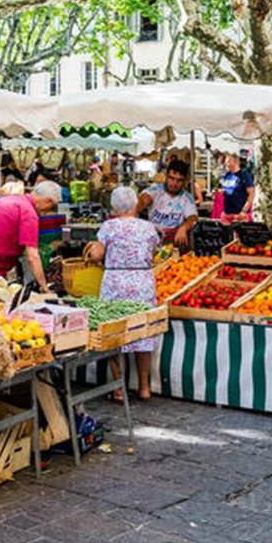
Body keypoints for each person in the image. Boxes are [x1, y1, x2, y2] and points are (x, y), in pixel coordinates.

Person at [84, 186, 160, 399]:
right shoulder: (148, 227)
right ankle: (144, 387)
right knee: (143, 332)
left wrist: (93, 250)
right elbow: (154, 251)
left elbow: (98, 255)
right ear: (135, 205)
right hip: (142, 282)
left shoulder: (109, 227)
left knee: (115, 334)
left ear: (114, 208)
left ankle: (119, 389)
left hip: (116, 282)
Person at [139, 158, 198, 249]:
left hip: (174, 244)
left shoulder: (187, 198)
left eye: (179, 180)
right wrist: (140, 204)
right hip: (152, 241)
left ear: (185, 181)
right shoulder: (156, 190)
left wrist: (184, 228)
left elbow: (193, 218)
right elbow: (144, 199)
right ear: (166, 176)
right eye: (171, 178)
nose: (174, 183)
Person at [219, 154, 254, 223]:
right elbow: (228, 191)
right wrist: (222, 192)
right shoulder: (227, 175)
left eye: (229, 161)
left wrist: (244, 211)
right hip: (227, 213)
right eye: (226, 162)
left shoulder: (244, 175)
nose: (227, 164)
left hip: (239, 214)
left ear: (236, 162)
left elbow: (251, 194)